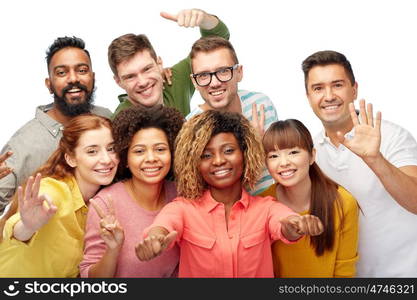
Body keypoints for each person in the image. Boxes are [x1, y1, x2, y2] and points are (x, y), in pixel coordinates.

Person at [135, 111, 323, 278]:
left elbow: (284, 223)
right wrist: (155, 239)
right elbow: (164, 225)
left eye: (228, 151)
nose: (218, 161)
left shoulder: (266, 207)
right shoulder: (182, 208)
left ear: (245, 154)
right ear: (195, 163)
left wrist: (296, 225)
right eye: (206, 155)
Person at [302, 50, 417, 277]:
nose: (328, 96)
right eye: (318, 88)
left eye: (337, 85)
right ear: (308, 97)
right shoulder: (311, 152)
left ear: (354, 89)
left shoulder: (392, 136)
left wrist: (375, 159)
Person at [0, 36, 112, 213]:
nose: (73, 79)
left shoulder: (107, 119)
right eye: (61, 73)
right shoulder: (22, 145)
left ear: (93, 77)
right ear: (49, 84)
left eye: (82, 70)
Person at [0, 114, 118, 277]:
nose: (107, 159)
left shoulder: (99, 203)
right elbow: (15, 228)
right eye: (92, 151)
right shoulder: (54, 190)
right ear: (71, 159)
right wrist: (27, 226)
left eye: (111, 149)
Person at [80, 105, 184, 277]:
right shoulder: (105, 203)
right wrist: (113, 249)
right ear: (126, 158)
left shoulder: (181, 196)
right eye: (139, 151)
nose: (151, 158)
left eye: (160, 149)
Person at [261, 119, 359, 277]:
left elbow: (344, 271)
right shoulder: (262, 203)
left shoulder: (343, 202)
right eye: (273, 156)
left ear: (312, 156)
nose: (284, 162)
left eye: (293, 152)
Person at [186, 36, 278, 195]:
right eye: (203, 75)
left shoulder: (261, 104)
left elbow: (280, 163)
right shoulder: (190, 127)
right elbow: (205, 191)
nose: (214, 83)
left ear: (239, 72)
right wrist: (253, 146)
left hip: (274, 204)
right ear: (194, 82)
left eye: (223, 71)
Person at [110, 8, 230, 118]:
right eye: (130, 76)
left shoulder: (174, 81)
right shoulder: (120, 121)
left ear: (159, 64)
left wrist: (203, 18)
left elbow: (219, 39)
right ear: (118, 82)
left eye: (147, 69)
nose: (143, 82)